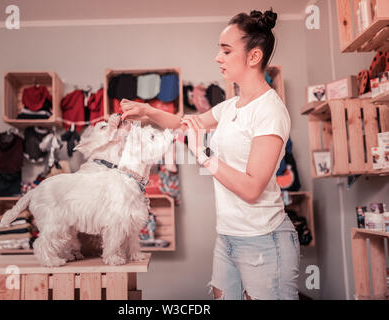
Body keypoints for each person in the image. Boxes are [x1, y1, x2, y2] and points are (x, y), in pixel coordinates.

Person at [120, 9, 299, 300]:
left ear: (253, 57)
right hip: (228, 234)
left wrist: (204, 156)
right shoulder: (231, 107)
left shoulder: (270, 111)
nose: (218, 57)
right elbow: (184, 123)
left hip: (264, 238)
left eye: (226, 51)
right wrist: (148, 111)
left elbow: (253, 188)